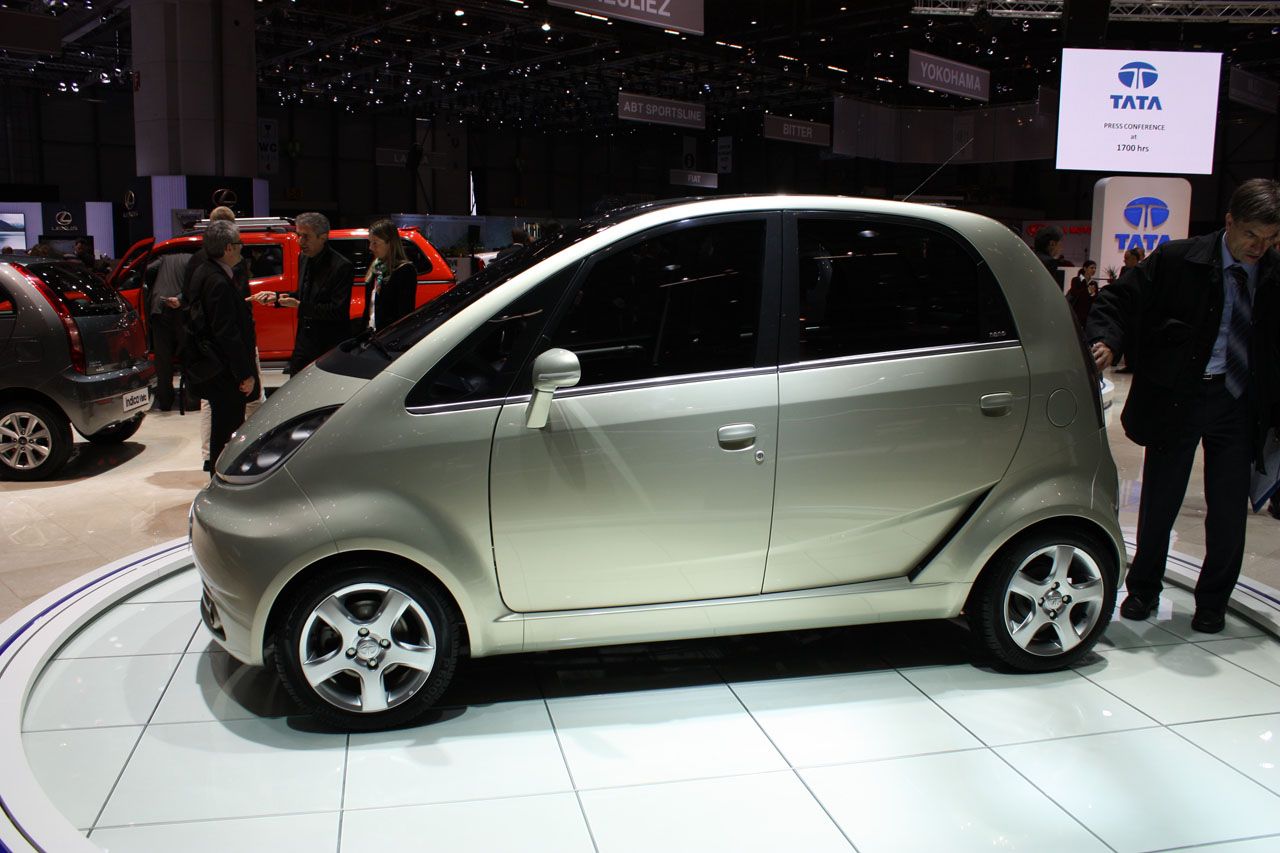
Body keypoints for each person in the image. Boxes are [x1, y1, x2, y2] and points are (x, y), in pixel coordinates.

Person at [1085, 178, 1280, 634]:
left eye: (1272, 238)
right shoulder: (1179, 259)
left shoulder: (1274, 272)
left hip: (1239, 403)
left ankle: (1213, 601)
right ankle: (1143, 590)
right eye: (1251, 234)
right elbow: (1119, 299)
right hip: (1180, 397)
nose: (1260, 247)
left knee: (1229, 510)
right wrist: (1108, 340)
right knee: (1160, 500)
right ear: (1229, 221)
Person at [184, 221, 259, 470]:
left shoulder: (204, 271)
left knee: (222, 428)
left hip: (214, 367)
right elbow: (227, 333)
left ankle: (220, 476)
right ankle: (223, 479)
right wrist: (245, 373)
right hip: (224, 372)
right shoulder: (217, 280)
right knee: (227, 432)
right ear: (228, 248)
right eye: (239, 244)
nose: (242, 249)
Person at [252, 211, 353, 373]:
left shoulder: (341, 266)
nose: (300, 241)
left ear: (323, 237)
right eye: (299, 235)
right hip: (304, 342)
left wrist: (299, 305)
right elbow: (302, 295)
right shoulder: (304, 258)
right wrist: (276, 297)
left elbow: (337, 311)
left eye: (306, 237)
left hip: (327, 345)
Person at [144, 253, 191, 411]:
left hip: (159, 307)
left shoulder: (163, 259)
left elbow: (146, 270)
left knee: (163, 359)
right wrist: (180, 298)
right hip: (181, 311)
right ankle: (191, 401)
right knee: (188, 355)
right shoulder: (192, 259)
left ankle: (165, 402)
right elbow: (195, 285)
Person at [360, 219, 416, 333]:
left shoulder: (404, 270)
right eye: (370, 242)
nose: (370, 247)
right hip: (371, 334)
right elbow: (369, 308)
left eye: (375, 243)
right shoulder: (375, 266)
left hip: (389, 336)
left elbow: (404, 313)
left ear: (390, 243)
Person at [1065, 259, 1098, 331]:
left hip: (1087, 312)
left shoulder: (1093, 283)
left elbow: (1094, 298)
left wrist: (1092, 294)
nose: (1094, 270)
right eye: (1091, 268)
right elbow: (1074, 293)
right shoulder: (1076, 280)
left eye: (1095, 268)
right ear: (1085, 268)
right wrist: (1086, 288)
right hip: (1077, 310)